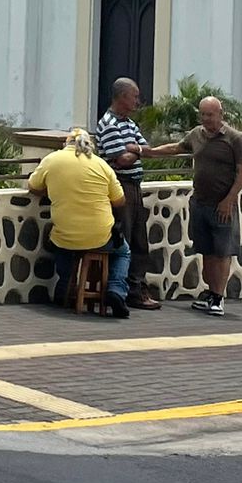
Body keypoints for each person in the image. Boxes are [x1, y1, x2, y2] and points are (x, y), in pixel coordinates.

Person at [145, 95, 242, 316]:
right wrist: (149, 151)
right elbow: (177, 147)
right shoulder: (196, 134)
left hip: (223, 206)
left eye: (210, 114)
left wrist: (228, 200)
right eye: (202, 114)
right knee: (206, 251)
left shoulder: (234, 139)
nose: (206, 119)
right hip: (200, 203)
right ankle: (210, 293)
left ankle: (218, 298)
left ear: (220, 114)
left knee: (222, 252)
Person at [27, 127, 132, 317]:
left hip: (65, 235)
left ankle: (64, 289)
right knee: (123, 251)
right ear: (89, 145)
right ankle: (116, 290)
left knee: (62, 242)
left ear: (65, 144)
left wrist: (52, 190)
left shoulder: (52, 160)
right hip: (100, 236)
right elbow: (120, 201)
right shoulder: (102, 165)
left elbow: (33, 187)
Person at [96, 77, 161, 309]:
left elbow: (147, 150)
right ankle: (122, 289)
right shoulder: (108, 124)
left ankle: (137, 288)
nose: (138, 101)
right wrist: (137, 150)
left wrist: (136, 149)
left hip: (135, 186)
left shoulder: (130, 123)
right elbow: (122, 160)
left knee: (139, 240)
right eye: (134, 96)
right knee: (124, 238)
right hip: (120, 185)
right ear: (122, 97)